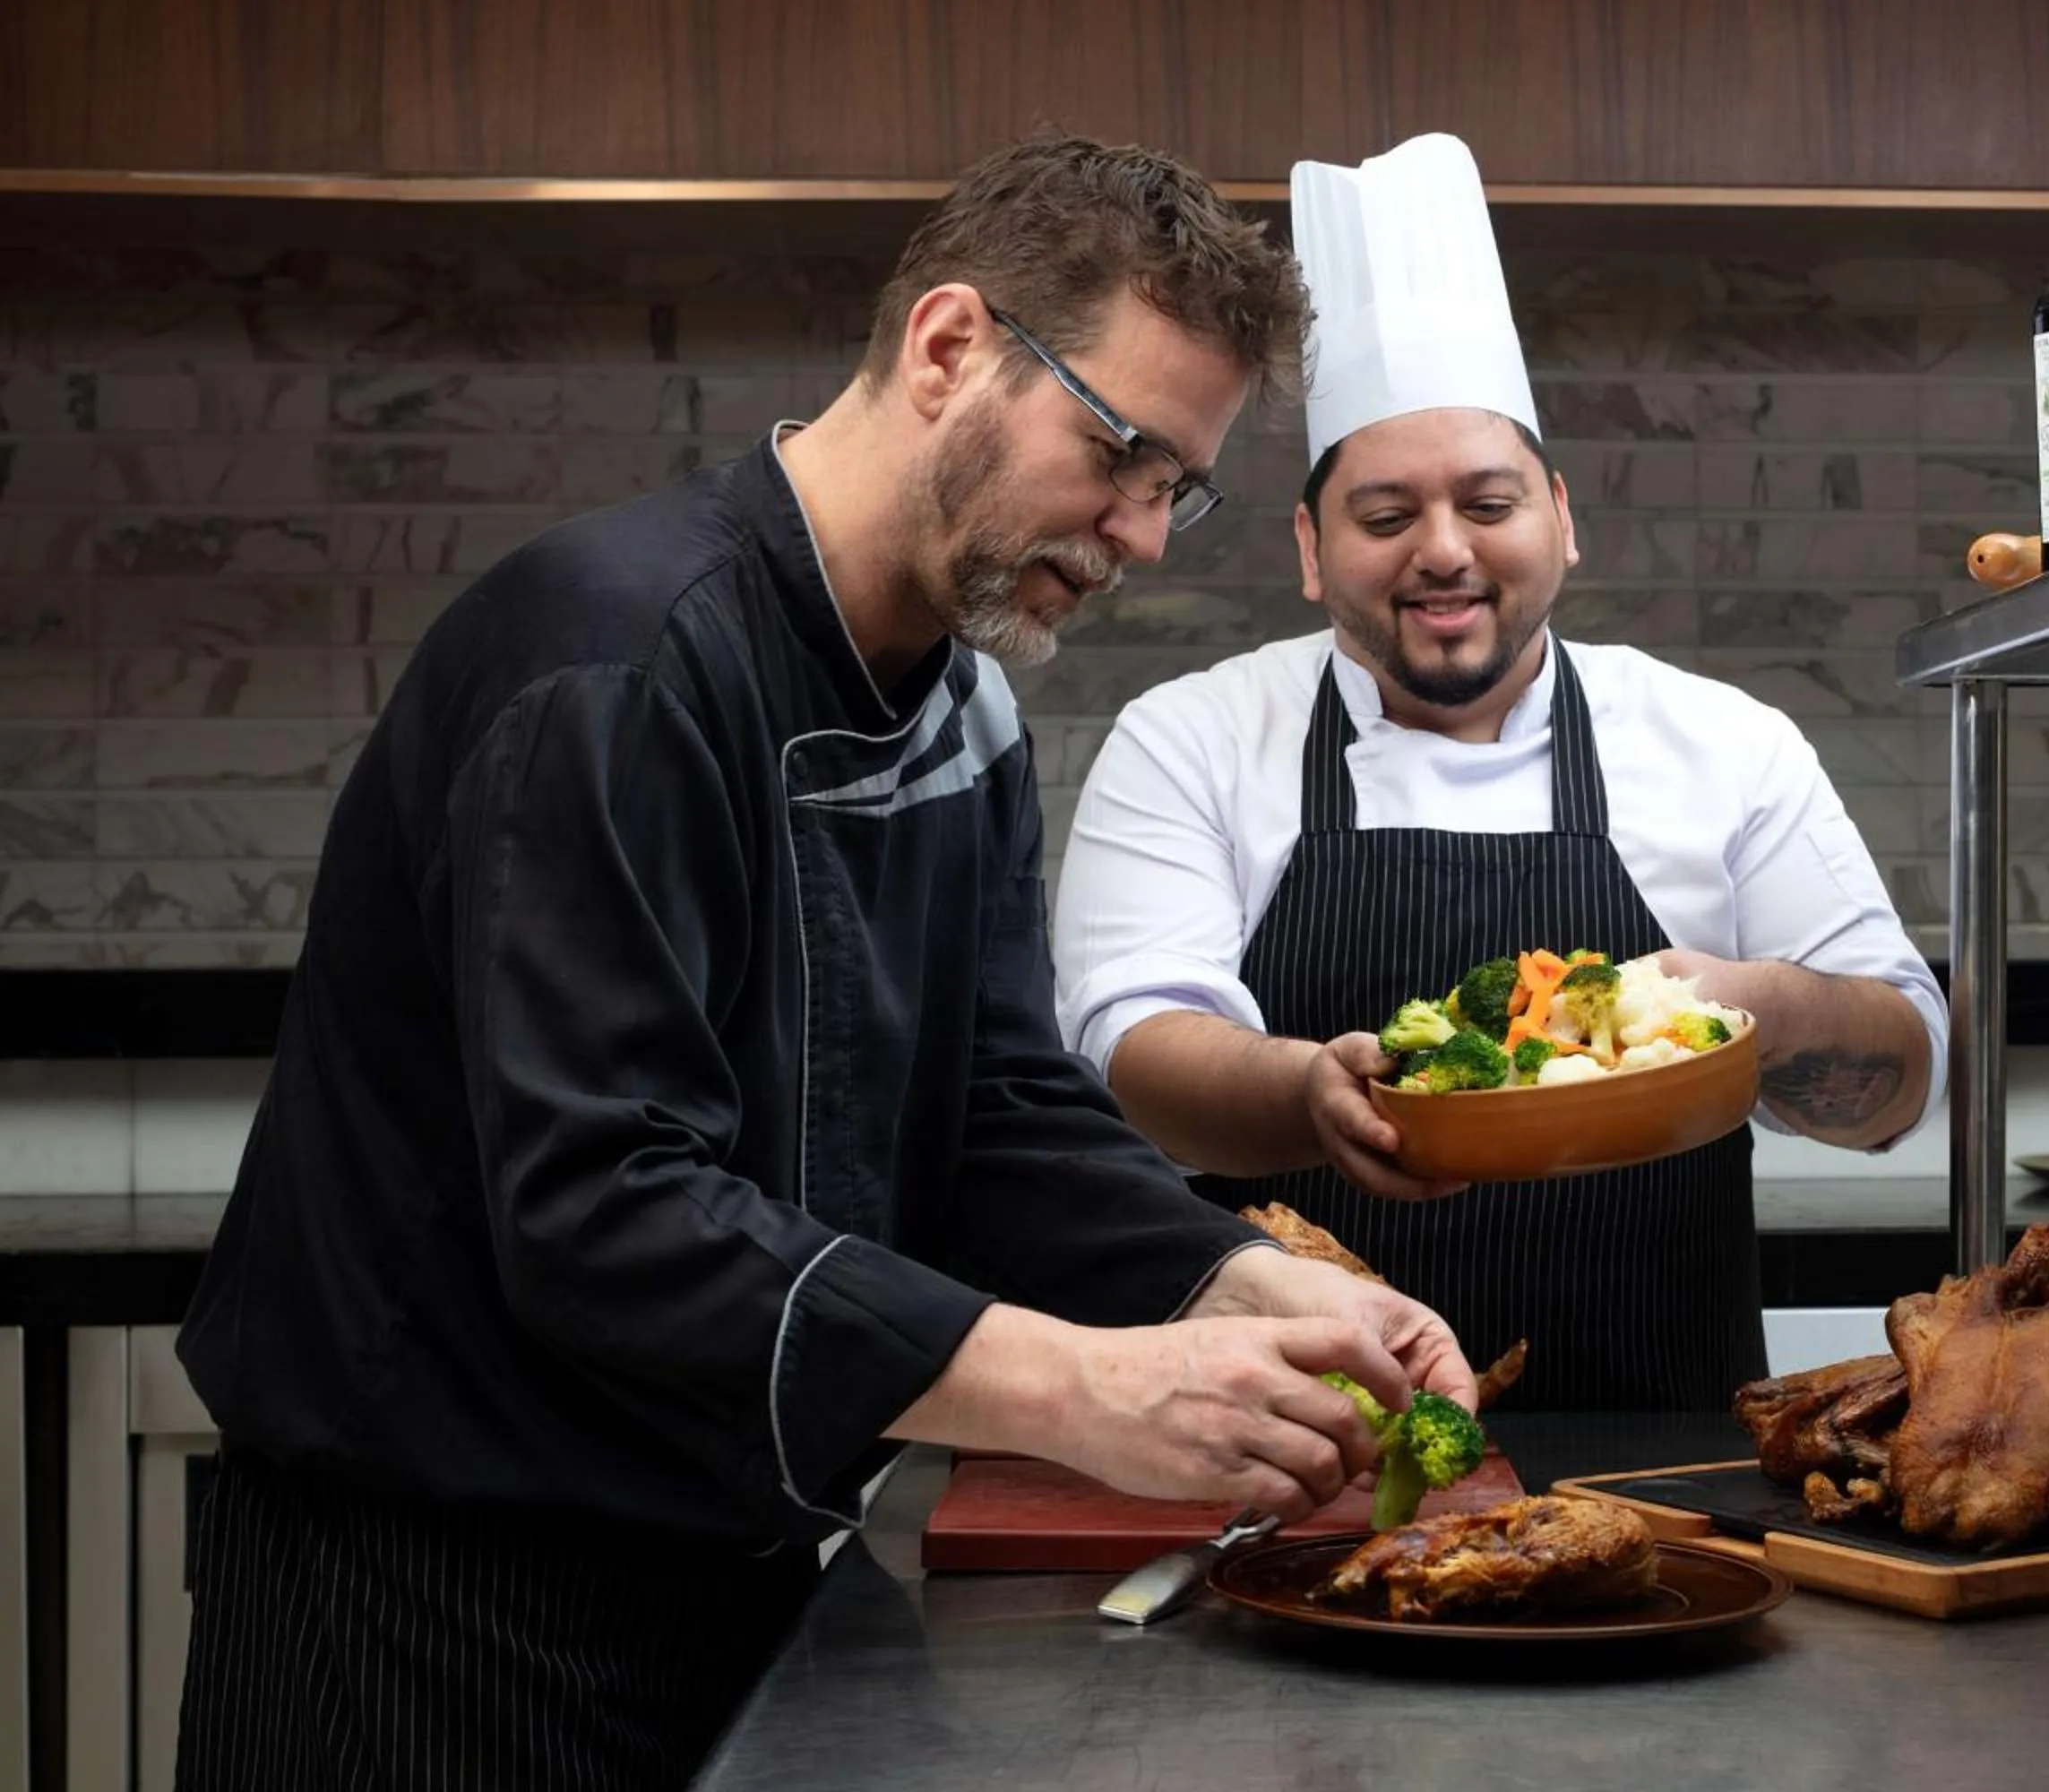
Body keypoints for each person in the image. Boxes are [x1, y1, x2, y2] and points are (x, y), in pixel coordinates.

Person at [169, 135, 1473, 1792]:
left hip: (726, 1568)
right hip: (433, 1603)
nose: (1145, 536)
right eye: (1121, 453)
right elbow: (600, 1207)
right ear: (949, 348)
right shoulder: (616, 664)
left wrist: (1235, 1279)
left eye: (1180, 488)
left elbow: (997, 1112)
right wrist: (1080, 1388)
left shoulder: (965, 707)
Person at [1052, 134, 1944, 1414]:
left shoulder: (1722, 742)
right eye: (1384, 516)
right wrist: (1313, 1096)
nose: (1443, 552)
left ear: (1562, 519)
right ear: (1309, 547)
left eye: (1488, 504)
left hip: (1669, 1455)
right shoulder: (1190, 738)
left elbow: (1899, 1087)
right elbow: (1135, 1055)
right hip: (1304, 1441)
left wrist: (1757, 1010)